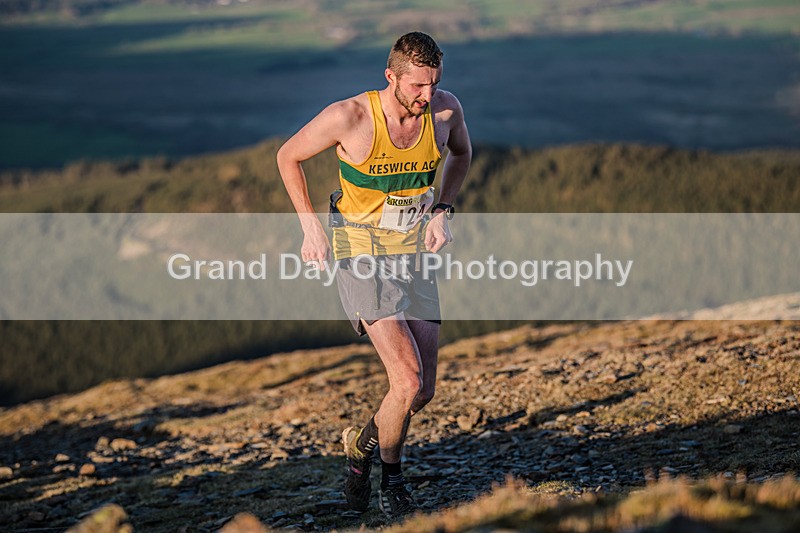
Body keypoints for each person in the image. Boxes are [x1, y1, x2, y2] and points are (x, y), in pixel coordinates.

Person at [277, 31, 471, 518]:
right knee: (406, 380)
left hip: (414, 251)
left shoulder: (445, 112)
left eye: (434, 83)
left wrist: (443, 208)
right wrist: (310, 227)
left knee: (422, 390)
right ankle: (392, 481)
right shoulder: (350, 117)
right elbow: (287, 156)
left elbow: (462, 154)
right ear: (391, 77)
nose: (427, 94)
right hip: (361, 252)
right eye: (418, 85)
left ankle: (361, 444)